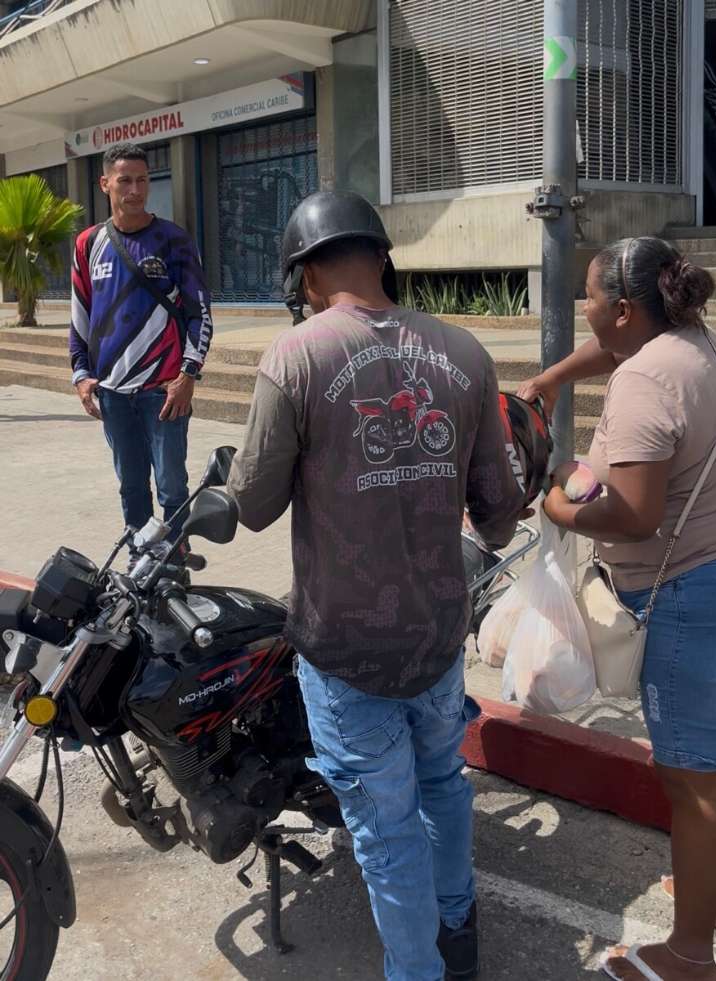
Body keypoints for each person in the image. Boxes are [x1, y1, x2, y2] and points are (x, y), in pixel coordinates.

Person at [226, 190, 527, 980]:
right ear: (380, 257)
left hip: (344, 645)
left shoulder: (295, 356)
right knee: (442, 785)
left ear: (307, 274)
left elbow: (252, 506)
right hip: (435, 635)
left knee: (386, 833)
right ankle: (457, 932)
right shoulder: (464, 352)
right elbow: (497, 517)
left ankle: (418, 971)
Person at [519, 237, 716, 981]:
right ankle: (706, 883)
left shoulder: (645, 385)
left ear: (625, 308)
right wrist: (549, 376)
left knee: (691, 780)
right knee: (707, 765)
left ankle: (691, 953)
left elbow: (633, 515)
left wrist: (556, 507)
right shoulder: (689, 342)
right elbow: (611, 353)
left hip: (682, 596)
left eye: (591, 298)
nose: (586, 308)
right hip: (710, 574)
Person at [69, 142, 212, 558]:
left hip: (164, 392)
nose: (135, 190)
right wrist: (81, 375)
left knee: (172, 486)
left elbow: (200, 313)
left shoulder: (173, 240)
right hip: (113, 394)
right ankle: (140, 558)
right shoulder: (87, 244)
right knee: (132, 486)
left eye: (143, 180)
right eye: (125, 180)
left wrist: (188, 376)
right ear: (105, 184)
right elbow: (79, 318)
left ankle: (173, 562)